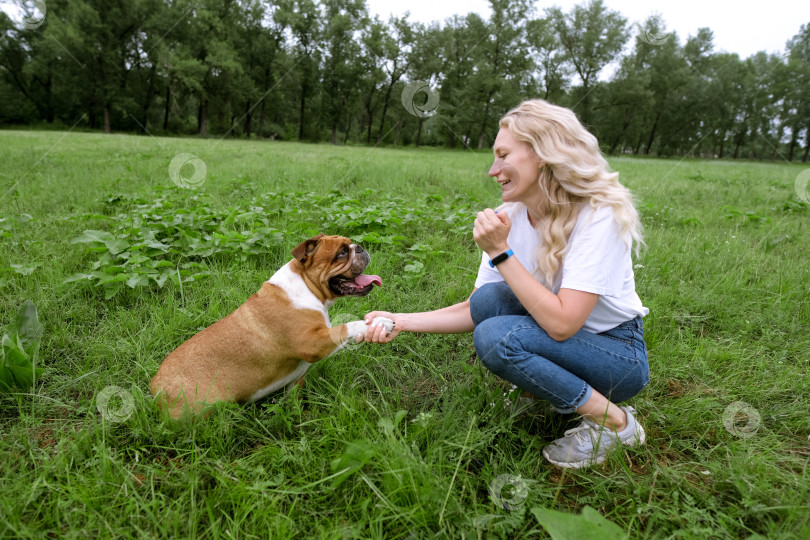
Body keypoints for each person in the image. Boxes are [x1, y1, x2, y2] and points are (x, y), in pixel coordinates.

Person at [361, 99, 650, 469]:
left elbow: (564, 324)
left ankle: (617, 424)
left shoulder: (598, 215)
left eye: (503, 155)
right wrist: (401, 320)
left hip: (616, 356)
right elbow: (474, 307)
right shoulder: (508, 218)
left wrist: (501, 252)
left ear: (542, 154)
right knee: (490, 302)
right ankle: (536, 391)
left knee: (497, 337)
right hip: (562, 342)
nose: (493, 169)